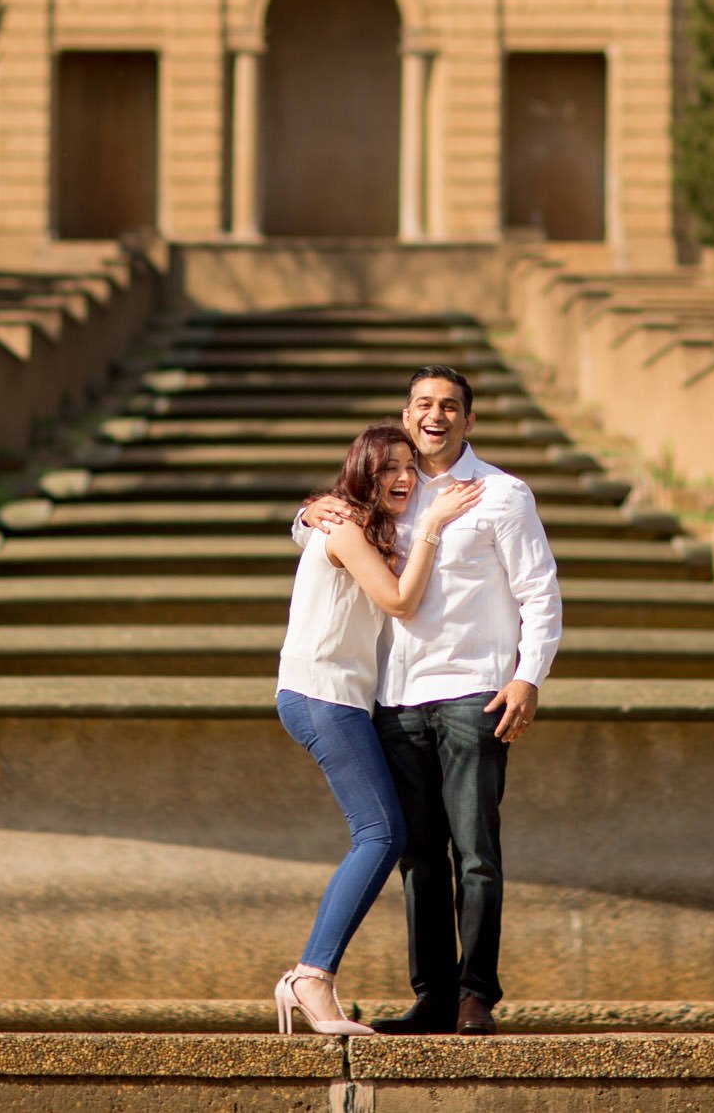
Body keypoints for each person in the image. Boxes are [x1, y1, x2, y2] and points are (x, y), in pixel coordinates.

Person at [300, 366, 563, 1035]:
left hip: (475, 692)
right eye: (423, 403)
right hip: (396, 699)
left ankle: (476, 995)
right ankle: (434, 997)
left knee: (475, 853)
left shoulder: (503, 495)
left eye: (449, 406)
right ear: (407, 413)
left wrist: (528, 676)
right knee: (418, 857)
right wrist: (304, 513)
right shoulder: (396, 487)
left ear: (468, 421)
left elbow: (540, 593)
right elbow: (327, 531)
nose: (435, 414)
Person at [276, 423, 484, 1035]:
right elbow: (398, 601)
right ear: (362, 474)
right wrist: (433, 525)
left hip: (338, 697)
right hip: (323, 695)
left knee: (384, 834)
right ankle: (310, 977)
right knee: (380, 834)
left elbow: (310, 520)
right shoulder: (345, 525)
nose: (401, 477)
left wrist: (306, 510)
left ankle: (312, 977)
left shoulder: (350, 522)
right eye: (386, 467)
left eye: (408, 467)